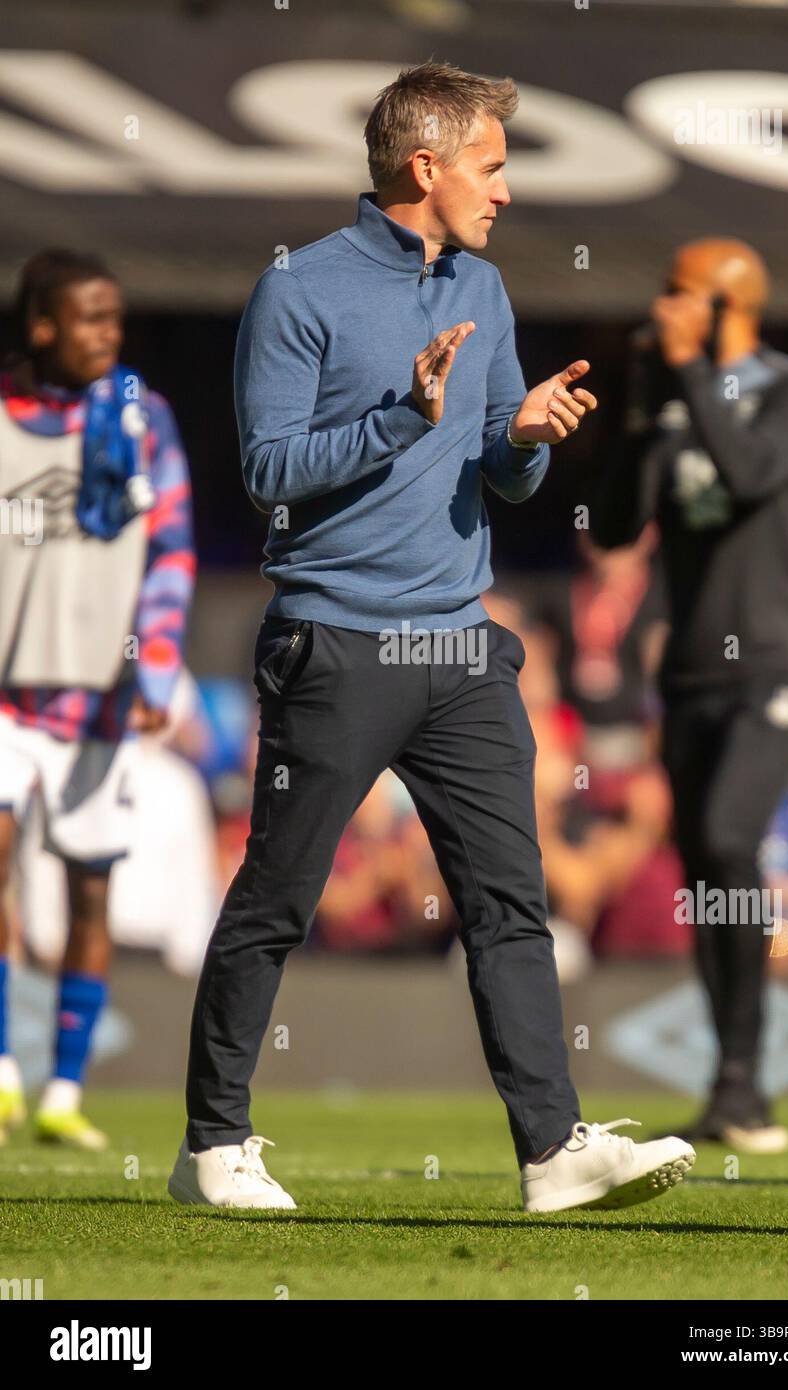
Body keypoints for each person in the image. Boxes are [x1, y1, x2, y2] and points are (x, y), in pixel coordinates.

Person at [169, 61, 695, 1212]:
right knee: (278, 896)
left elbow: (506, 477)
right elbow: (267, 477)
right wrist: (401, 413)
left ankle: (552, 1152)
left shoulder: (487, 290)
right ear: (426, 165)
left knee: (512, 901)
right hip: (334, 643)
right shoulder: (297, 291)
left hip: (460, 649)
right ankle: (213, 1144)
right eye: (490, 165)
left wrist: (521, 434)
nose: (503, 190)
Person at [591, 239, 788, 1152]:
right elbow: (618, 526)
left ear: (729, 303)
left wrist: (693, 373)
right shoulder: (673, 399)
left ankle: (744, 1073)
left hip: (775, 666)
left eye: (679, 294)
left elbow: (747, 474)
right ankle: (736, 1083)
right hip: (690, 675)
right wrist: (636, 412)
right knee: (708, 878)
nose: (662, 308)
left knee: (736, 838)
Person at [0, 249, 195, 1148]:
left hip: (102, 704)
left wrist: (154, 670)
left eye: (116, 319)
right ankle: (2, 1068)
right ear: (42, 326)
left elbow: (172, 550)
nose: (108, 336)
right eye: (89, 319)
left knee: (87, 898)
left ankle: (63, 1093)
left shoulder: (140, 418)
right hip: (7, 697)